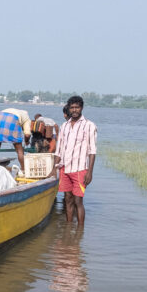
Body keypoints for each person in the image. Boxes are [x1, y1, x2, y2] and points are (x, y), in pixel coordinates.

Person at [55, 96, 97, 227]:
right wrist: (53, 169)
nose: (74, 110)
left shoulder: (89, 125)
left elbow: (92, 151)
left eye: (77, 107)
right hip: (64, 168)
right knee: (67, 199)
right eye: (72, 107)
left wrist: (90, 172)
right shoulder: (64, 126)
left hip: (79, 169)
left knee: (78, 201)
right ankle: (68, 229)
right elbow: (59, 150)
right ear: (68, 108)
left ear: (81, 108)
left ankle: (80, 232)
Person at [0, 108, 32, 172]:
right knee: (19, 150)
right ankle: (24, 170)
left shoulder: (18, 112)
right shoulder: (27, 119)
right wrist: (27, 141)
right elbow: (27, 134)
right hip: (13, 118)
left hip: (0, 116)